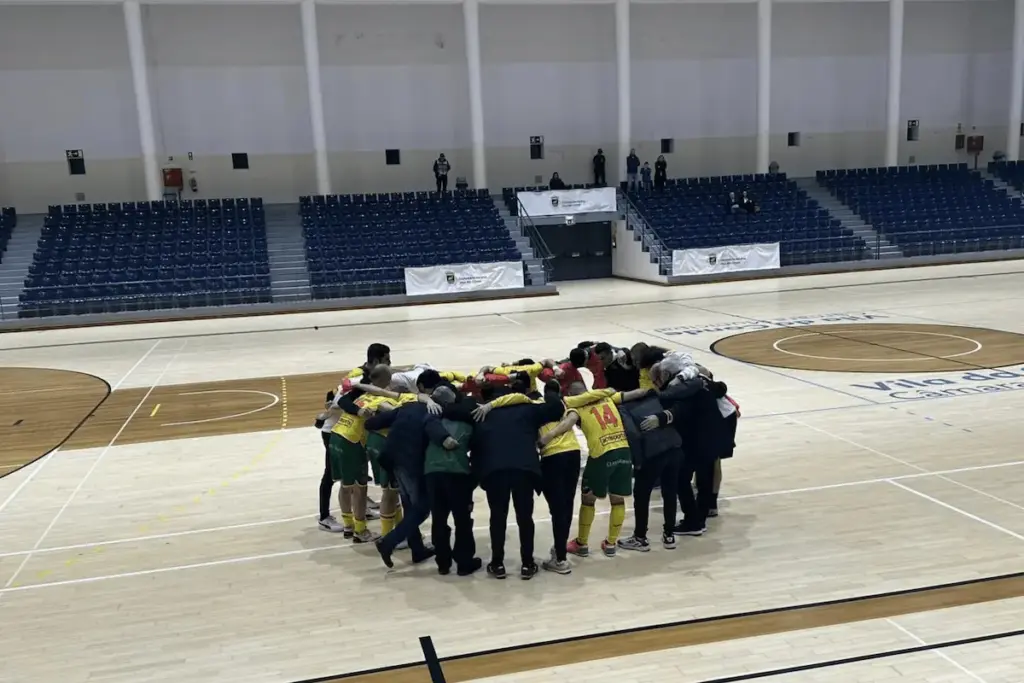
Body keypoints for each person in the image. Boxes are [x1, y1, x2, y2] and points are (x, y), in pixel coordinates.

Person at [521, 385, 647, 558]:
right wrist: (652, 388)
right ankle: (611, 544)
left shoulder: (577, 406)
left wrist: (547, 437)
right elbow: (635, 393)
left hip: (601, 454)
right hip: (624, 450)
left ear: (572, 394)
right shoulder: (608, 398)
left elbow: (567, 423)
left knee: (588, 498)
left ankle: (582, 543)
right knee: (617, 498)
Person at [467, 373, 565, 580]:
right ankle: (527, 564)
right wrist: (550, 391)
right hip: (524, 469)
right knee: (525, 518)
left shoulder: (481, 413)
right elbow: (557, 408)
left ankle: (497, 563)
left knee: (497, 517)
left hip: (494, 471)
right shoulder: (527, 409)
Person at [363, 371, 446, 568]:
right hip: (410, 463)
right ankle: (388, 542)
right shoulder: (432, 412)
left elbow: (370, 423)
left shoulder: (407, 407)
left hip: (392, 460)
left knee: (410, 506)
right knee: (422, 509)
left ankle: (417, 549)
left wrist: (376, 413)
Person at [616, 385, 691, 552]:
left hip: (653, 454)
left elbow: (633, 435)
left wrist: (638, 461)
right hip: (674, 448)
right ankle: (669, 535)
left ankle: (640, 537)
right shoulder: (653, 399)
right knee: (670, 492)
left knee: (642, 495)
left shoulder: (623, 408)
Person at [422, 384, 483, 576]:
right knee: (462, 520)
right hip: (458, 474)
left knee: (439, 519)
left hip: (432, 472)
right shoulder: (469, 424)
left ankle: (443, 563)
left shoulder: (432, 421)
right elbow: (478, 453)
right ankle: (464, 563)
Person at [534, 380, 582, 574]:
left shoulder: (536, 409)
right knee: (567, 504)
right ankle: (559, 548)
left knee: (557, 508)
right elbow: (572, 418)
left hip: (553, 457)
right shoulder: (566, 405)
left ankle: (560, 558)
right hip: (573, 453)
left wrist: (547, 437)